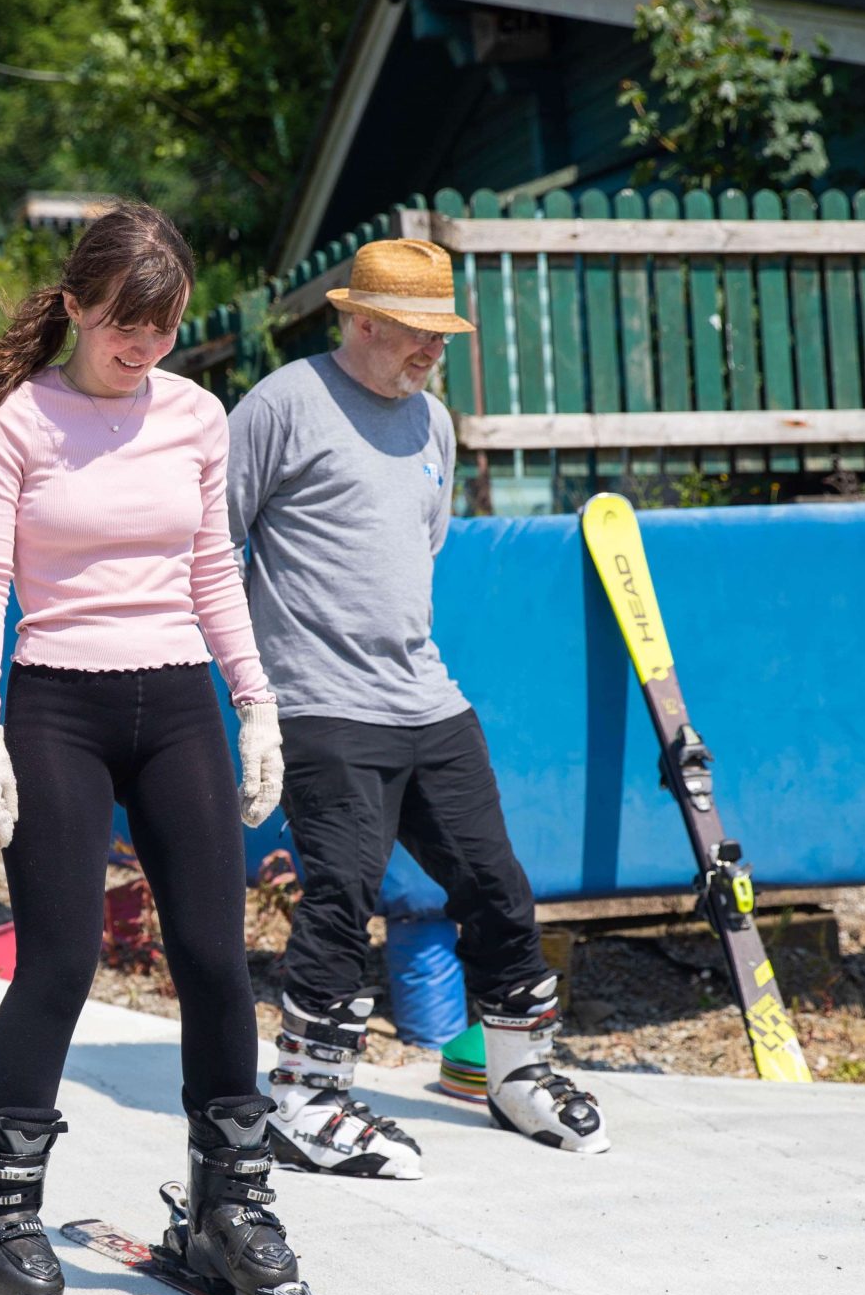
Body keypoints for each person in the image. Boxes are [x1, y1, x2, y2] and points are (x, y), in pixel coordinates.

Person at [0, 202, 316, 1295]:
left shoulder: (195, 416)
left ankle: (231, 1208)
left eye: (166, 327)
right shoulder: (19, 424)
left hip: (177, 697)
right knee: (64, 958)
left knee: (217, 959)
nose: (145, 348)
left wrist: (256, 702)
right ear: (76, 305)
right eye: (127, 324)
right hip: (58, 706)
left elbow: (214, 566)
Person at [226, 236, 608, 1176]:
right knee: (343, 893)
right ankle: (306, 1096)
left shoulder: (433, 420)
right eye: (414, 333)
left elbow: (419, 545)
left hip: (425, 697)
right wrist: (252, 699)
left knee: (495, 882)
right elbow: (212, 543)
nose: (432, 350)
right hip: (321, 703)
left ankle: (519, 1071)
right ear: (359, 321)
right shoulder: (282, 405)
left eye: (442, 333)